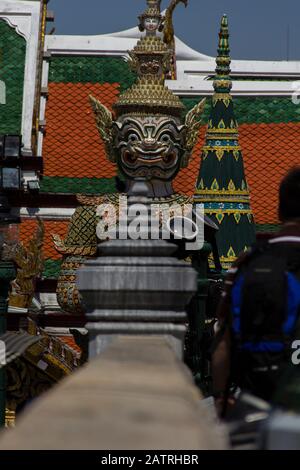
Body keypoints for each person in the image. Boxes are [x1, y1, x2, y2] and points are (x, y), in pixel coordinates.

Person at [212, 167, 300, 415]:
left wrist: (220, 397)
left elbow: (222, 341)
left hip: (258, 400)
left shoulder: (246, 262)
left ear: (279, 211)